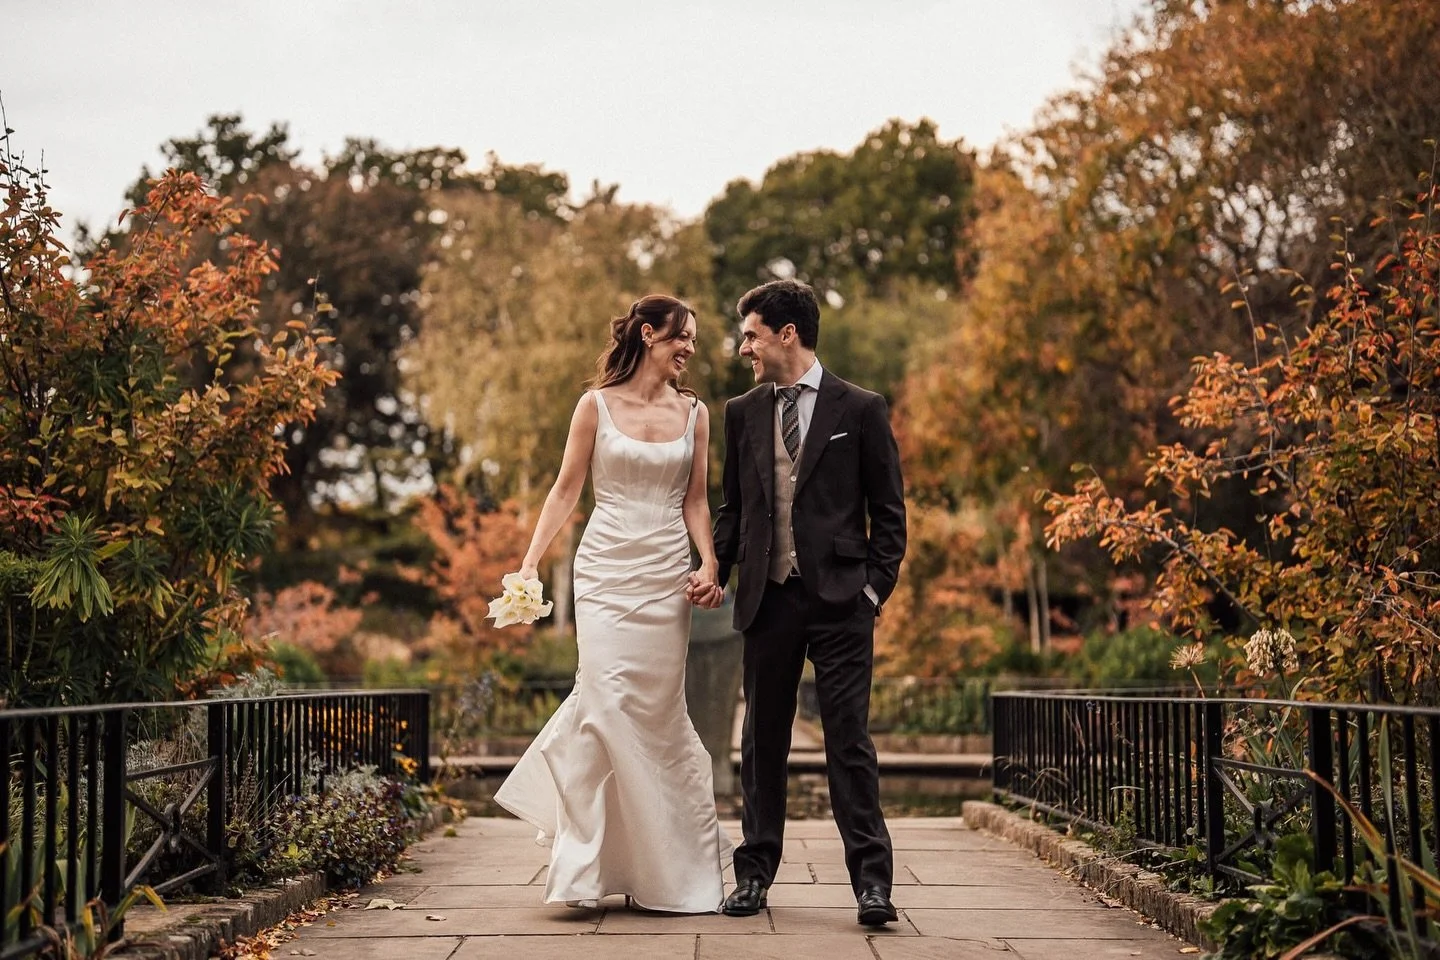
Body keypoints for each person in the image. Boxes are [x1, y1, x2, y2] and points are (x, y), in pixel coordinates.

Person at [494, 294, 729, 914]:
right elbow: (567, 488)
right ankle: (582, 868)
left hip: (664, 575)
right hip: (603, 572)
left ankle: (665, 870)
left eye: (695, 342)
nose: (690, 350)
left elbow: (696, 500)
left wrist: (708, 563)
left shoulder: (696, 413)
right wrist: (529, 562)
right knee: (602, 698)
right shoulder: (593, 406)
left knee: (654, 712)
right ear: (648, 335)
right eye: (683, 337)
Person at [704, 278, 907, 927]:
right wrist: (715, 567)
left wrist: (872, 590)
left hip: (842, 601)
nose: (744, 349)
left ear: (786, 334)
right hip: (768, 599)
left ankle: (873, 884)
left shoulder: (862, 408)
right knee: (761, 741)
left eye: (752, 335)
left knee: (848, 741)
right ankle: (753, 875)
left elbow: (890, 513)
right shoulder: (742, 412)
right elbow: (734, 506)